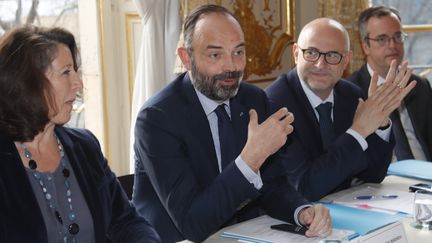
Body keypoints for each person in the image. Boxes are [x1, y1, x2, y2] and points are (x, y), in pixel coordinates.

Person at [132, 4, 331, 243]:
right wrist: (251, 159)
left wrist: (301, 211)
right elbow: (192, 223)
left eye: (238, 52)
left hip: (244, 234)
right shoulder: (157, 119)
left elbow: (273, 185)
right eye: (216, 55)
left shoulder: (254, 99)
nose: (232, 66)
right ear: (186, 58)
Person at [0, 26, 160, 242]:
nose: (78, 83)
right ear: (27, 82)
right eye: (66, 72)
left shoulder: (84, 147)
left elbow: (126, 221)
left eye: (75, 71)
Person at [265, 18, 416, 201]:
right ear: (296, 53)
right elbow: (305, 188)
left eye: (333, 55)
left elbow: (372, 176)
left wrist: (380, 123)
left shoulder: (351, 95)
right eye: (311, 53)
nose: (320, 65)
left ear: (346, 61)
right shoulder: (274, 104)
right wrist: (358, 131)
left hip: (344, 208)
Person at [348, 6, 432, 161]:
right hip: (381, 180)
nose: (393, 45)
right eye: (382, 39)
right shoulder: (348, 91)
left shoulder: (419, 86)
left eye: (398, 36)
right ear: (365, 46)